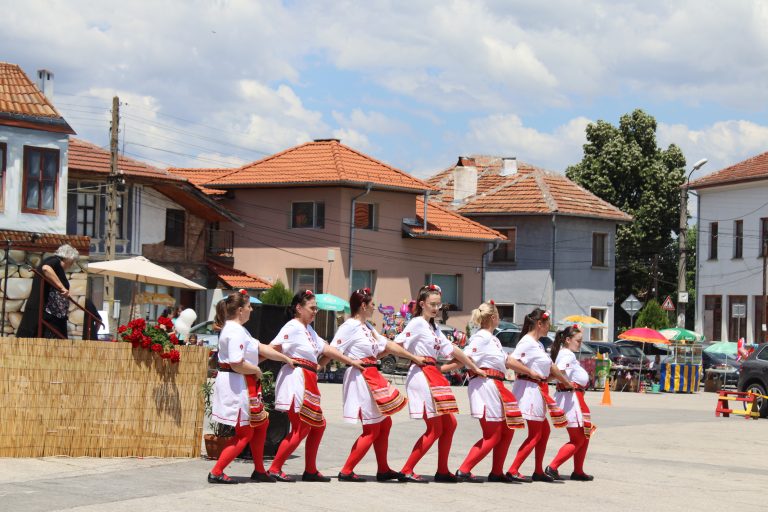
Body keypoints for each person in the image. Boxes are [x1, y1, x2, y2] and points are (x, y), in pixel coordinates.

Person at [267, 290, 365, 482]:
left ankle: (310, 469)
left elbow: (327, 349)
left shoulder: (309, 330)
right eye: (312, 308)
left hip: (309, 380)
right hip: (297, 379)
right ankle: (274, 468)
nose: (315, 312)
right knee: (301, 427)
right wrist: (256, 363)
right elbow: (273, 347)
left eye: (316, 308)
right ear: (298, 308)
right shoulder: (292, 326)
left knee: (318, 425)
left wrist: (351, 361)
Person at [394, 284, 486, 483]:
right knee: (435, 427)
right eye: (432, 304)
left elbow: (453, 350)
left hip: (432, 374)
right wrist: (413, 357)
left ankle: (442, 470)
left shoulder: (433, 327)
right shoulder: (417, 322)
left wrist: (473, 366)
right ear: (422, 304)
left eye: (438, 304)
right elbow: (396, 344)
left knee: (450, 424)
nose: (436, 308)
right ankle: (406, 469)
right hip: (420, 374)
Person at [332, 288, 424, 482]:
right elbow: (333, 349)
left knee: (384, 422)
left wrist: (410, 355)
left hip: (372, 375)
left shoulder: (368, 327)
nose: (374, 307)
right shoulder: (349, 326)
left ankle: (383, 469)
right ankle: (347, 470)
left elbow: (387, 345)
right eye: (372, 304)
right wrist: (349, 362)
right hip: (360, 377)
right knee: (372, 428)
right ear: (363, 306)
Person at [207, 289, 295, 484]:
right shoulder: (235, 331)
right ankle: (217, 471)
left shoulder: (238, 329)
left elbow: (261, 348)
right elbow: (237, 362)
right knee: (244, 432)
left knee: (261, 424)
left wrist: (285, 356)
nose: (251, 310)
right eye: (249, 307)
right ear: (240, 310)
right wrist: (256, 370)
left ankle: (259, 470)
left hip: (243, 383)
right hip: (238, 384)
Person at [447, 300, 530, 483]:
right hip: (486, 384)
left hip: (496, 385)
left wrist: (530, 371)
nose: (499, 318)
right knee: (492, 435)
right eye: (499, 315)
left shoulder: (493, 339)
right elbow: (466, 357)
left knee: (508, 429)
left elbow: (507, 360)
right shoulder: (481, 337)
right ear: (493, 318)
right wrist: (444, 368)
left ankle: (497, 471)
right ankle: (464, 469)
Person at [506, 308, 573, 483]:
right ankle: (513, 469)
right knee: (536, 434)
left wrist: (563, 381)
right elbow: (511, 361)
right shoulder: (527, 342)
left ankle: (537, 470)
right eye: (547, 324)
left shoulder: (539, 344)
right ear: (539, 324)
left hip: (538, 389)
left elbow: (550, 368)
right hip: (529, 390)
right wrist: (531, 372)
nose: (549, 327)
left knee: (544, 431)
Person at [545, 324, 595, 482]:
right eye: (578, 340)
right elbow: (557, 371)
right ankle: (552, 467)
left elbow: (557, 372)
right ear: (567, 340)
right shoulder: (567, 354)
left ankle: (578, 470)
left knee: (584, 436)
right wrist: (566, 383)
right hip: (572, 398)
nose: (580, 344)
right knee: (579, 438)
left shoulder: (566, 353)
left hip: (573, 396)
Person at [17, 244, 80, 339]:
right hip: (48, 312)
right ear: (68, 258)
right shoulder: (55, 261)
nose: (73, 264)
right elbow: (46, 268)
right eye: (73, 261)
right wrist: (62, 288)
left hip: (53, 314)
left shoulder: (57, 265)